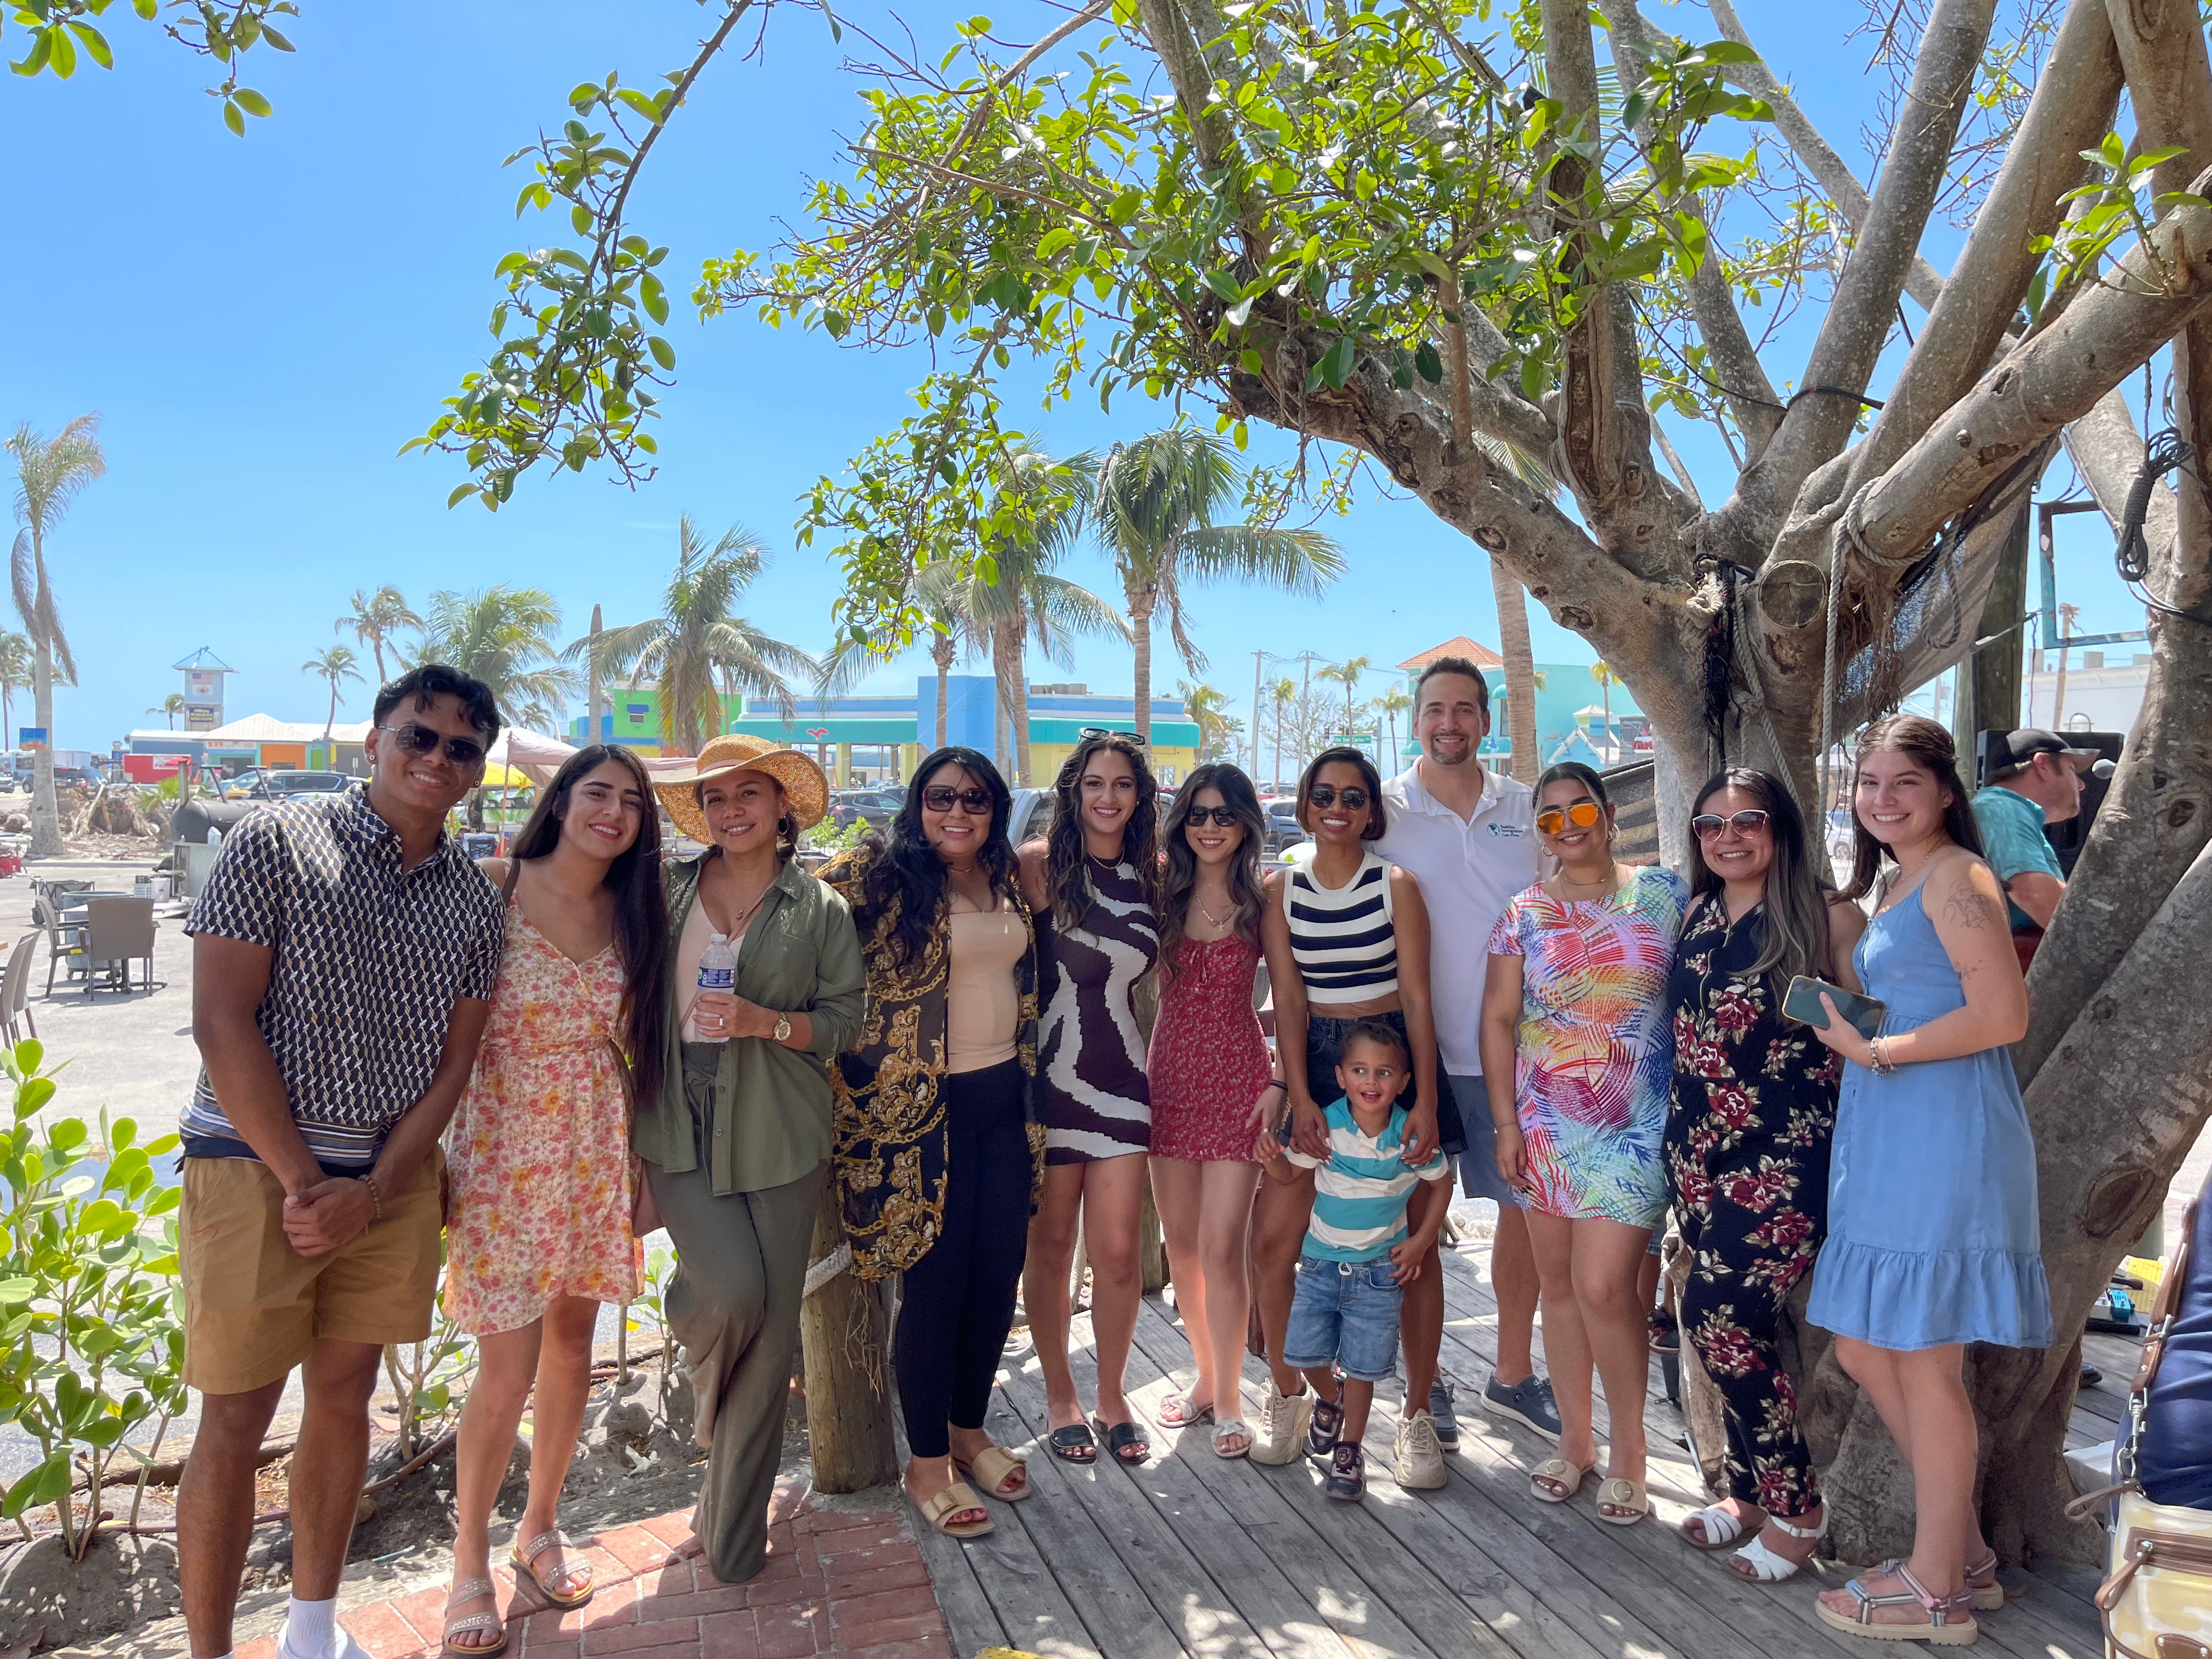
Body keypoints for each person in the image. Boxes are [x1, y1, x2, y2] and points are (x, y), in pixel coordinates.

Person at [177, 665, 509, 1659]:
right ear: (374, 738)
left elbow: (455, 1063)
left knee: (343, 1394)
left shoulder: (471, 898)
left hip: (386, 1183)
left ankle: (311, 1631)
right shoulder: (274, 840)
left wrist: (369, 1189)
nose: (438, 758)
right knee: (234, 1417)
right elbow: (219, 1019)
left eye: (462, 747)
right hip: (253, 1170)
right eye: (421, 734)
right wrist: (302, 1183)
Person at [1806, 715, 2051, 1643]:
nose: (1881, 799)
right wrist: (1857, 1027)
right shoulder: (1905, 879)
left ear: (1944, 790)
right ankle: (1967, 1553)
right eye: (1867, 783)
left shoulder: (1956, 873)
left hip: (1944, 1128)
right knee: (1873, 1349)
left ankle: (1936, 1586)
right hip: (1893, 1125)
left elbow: (2002, 1011)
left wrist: (1876, 1046)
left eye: (1902, 781)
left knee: (1923, 1356)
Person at [439, 746, 668, 1652]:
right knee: (505, 1358)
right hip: (503, 1146)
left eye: (630, 802)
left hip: (597, 1149)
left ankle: (540, 1525)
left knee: (572, 1340)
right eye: (596, 792)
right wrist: (430, 1157)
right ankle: (468, 1558)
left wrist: (644, 1160)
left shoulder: (637, 910)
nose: (611, 812)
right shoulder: (493, 884)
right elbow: (440, 1032)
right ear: (562, 799)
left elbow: (645, 1045)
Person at [635, 735, 865, 1584]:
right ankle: (702, 1359)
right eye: (717, 798)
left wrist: (768, 1021)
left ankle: (731, 1534)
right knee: (729, 1294)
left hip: (776, 1117)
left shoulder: (819, 909)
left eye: (748, 795)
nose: (732, 811)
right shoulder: (664, 891)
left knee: (771, 1340)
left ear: (780, 808)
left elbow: (845, 1022)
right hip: (675, 1111)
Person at [825, 749, 1041, 1537]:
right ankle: (924, 1462)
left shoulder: (1009, 875)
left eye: (976, 799)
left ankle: (968, 1429)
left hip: (1004, 1102)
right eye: (942, 797)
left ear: (995, 807)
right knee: (935, 1282)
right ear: (918, 803)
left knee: (996, 1275)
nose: (958, 812)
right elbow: (786, 908)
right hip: (913, 1113)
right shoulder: (879, 877)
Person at [1664, 768, 1866, 1584]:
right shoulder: (1697, 914)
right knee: (1718, 1318)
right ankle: (1746, 1493)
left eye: (1748, 820)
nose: (1729, 837)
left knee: (1720, 1315)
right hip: (1697, 1149)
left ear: (1780, 828)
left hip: (1785, 1156)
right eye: (1711, 826)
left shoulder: (1825, 916)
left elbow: (1873, 1034)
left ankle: (1797, 1506)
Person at [1480, 761, 1688, 1526]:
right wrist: (1506, 1124)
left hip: (1636, 1127)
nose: (1568, 829)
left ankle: (1629, 1450)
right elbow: (1500, 1020)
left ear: (1606, 814)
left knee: (1605, 1287)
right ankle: (1576, 1443)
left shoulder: (1663, 895)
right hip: (1545, 1122)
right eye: (1550, 819)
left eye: (1579, 812)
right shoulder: (1524, 913)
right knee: (1560, 1287)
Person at [1250, 747, 1448, 1488]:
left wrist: (1423, 1098)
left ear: (1372, 810)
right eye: (1325, 793)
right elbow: (1290, 998)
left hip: (1389, 1057)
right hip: (1318, 1058)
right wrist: (1298, 1092)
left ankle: (1417, 1415)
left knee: (1406, 1250)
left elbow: (1419, 998)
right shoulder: (1283, 889)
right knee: (1277, 1242)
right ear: (1306, 804)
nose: (1338, 805)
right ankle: (1293, 1395)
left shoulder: (1395, 884)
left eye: (1355, 796)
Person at [1374, 656, 1555, 1448]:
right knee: (1412, 1218)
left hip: (1513, 1049)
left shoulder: (1532, 805)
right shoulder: (1380, 809)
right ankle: (1426, 1381)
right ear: (1416, 721)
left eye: (1464, 709)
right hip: (1408, 1050)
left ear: (1487, 720)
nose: (1449, 722)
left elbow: (1571, 898)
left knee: (1523, 1209)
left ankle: (1512, 1375)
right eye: (1434, 709)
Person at [1019, 731, 1163, 1469]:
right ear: (1074, 793)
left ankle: (1111, 1395)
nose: (1108, 798)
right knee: (1049, 1247)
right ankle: (1058, 1396)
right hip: (1047, 1084)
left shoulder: (1151, 876)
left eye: (1123, 786)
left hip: (1123, 1086)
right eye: (1094, 784)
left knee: (1115, 1251)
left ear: (1139, 799)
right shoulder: (1040, 870)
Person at [1253, 1019, 1449, 1502]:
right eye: (1360, 1071)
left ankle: (1350, 1452)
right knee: (1301, 1352)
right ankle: (1328, 1399)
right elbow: (1287, 1174)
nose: (1371, 1082)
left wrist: (1424, 1239)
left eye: (1384, 1073)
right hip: (1319, 1267)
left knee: (1363, 1367)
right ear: (1340, 1076)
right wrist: (1269, 1159)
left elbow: (1441, 1182)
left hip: (1380, 1273)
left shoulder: (1409, 1134)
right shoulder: (1325, 1126)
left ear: (1403, 1083)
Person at [1146, 763, 1276, 1459]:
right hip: (1168, 1079)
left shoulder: (1264, 901)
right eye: (1198, 814)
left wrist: (1280, 1083)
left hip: (1238, 1079)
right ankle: (1204, 1375)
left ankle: (1230, 1396)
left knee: (1225, 1248)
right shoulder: (1159, 896)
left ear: (1246, 823)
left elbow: (1289, 994)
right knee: (1184, 1250)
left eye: (1225, 814)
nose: (1210, 826)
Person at [1968, 726, 2095, 968]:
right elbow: (2034, 893)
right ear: (2043, 764)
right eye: (2072, 770)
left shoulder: (2000, 809)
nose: (2081, 785)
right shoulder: (2002, 808)